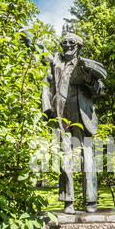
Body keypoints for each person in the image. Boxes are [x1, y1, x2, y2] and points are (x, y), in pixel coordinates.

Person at [42, 33, 106, 214]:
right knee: (65, 156)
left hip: (82, 114)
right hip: (61, 113)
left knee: (88, 156)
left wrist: (89, 80)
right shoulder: (56, 62)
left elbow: (100, 90)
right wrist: (47, 108)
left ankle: (90, 201)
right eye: (64, 42)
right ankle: (68, 201)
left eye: (71, 42)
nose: (67, 45)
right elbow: (45, 84)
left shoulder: (84, 65)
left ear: (78, 46)